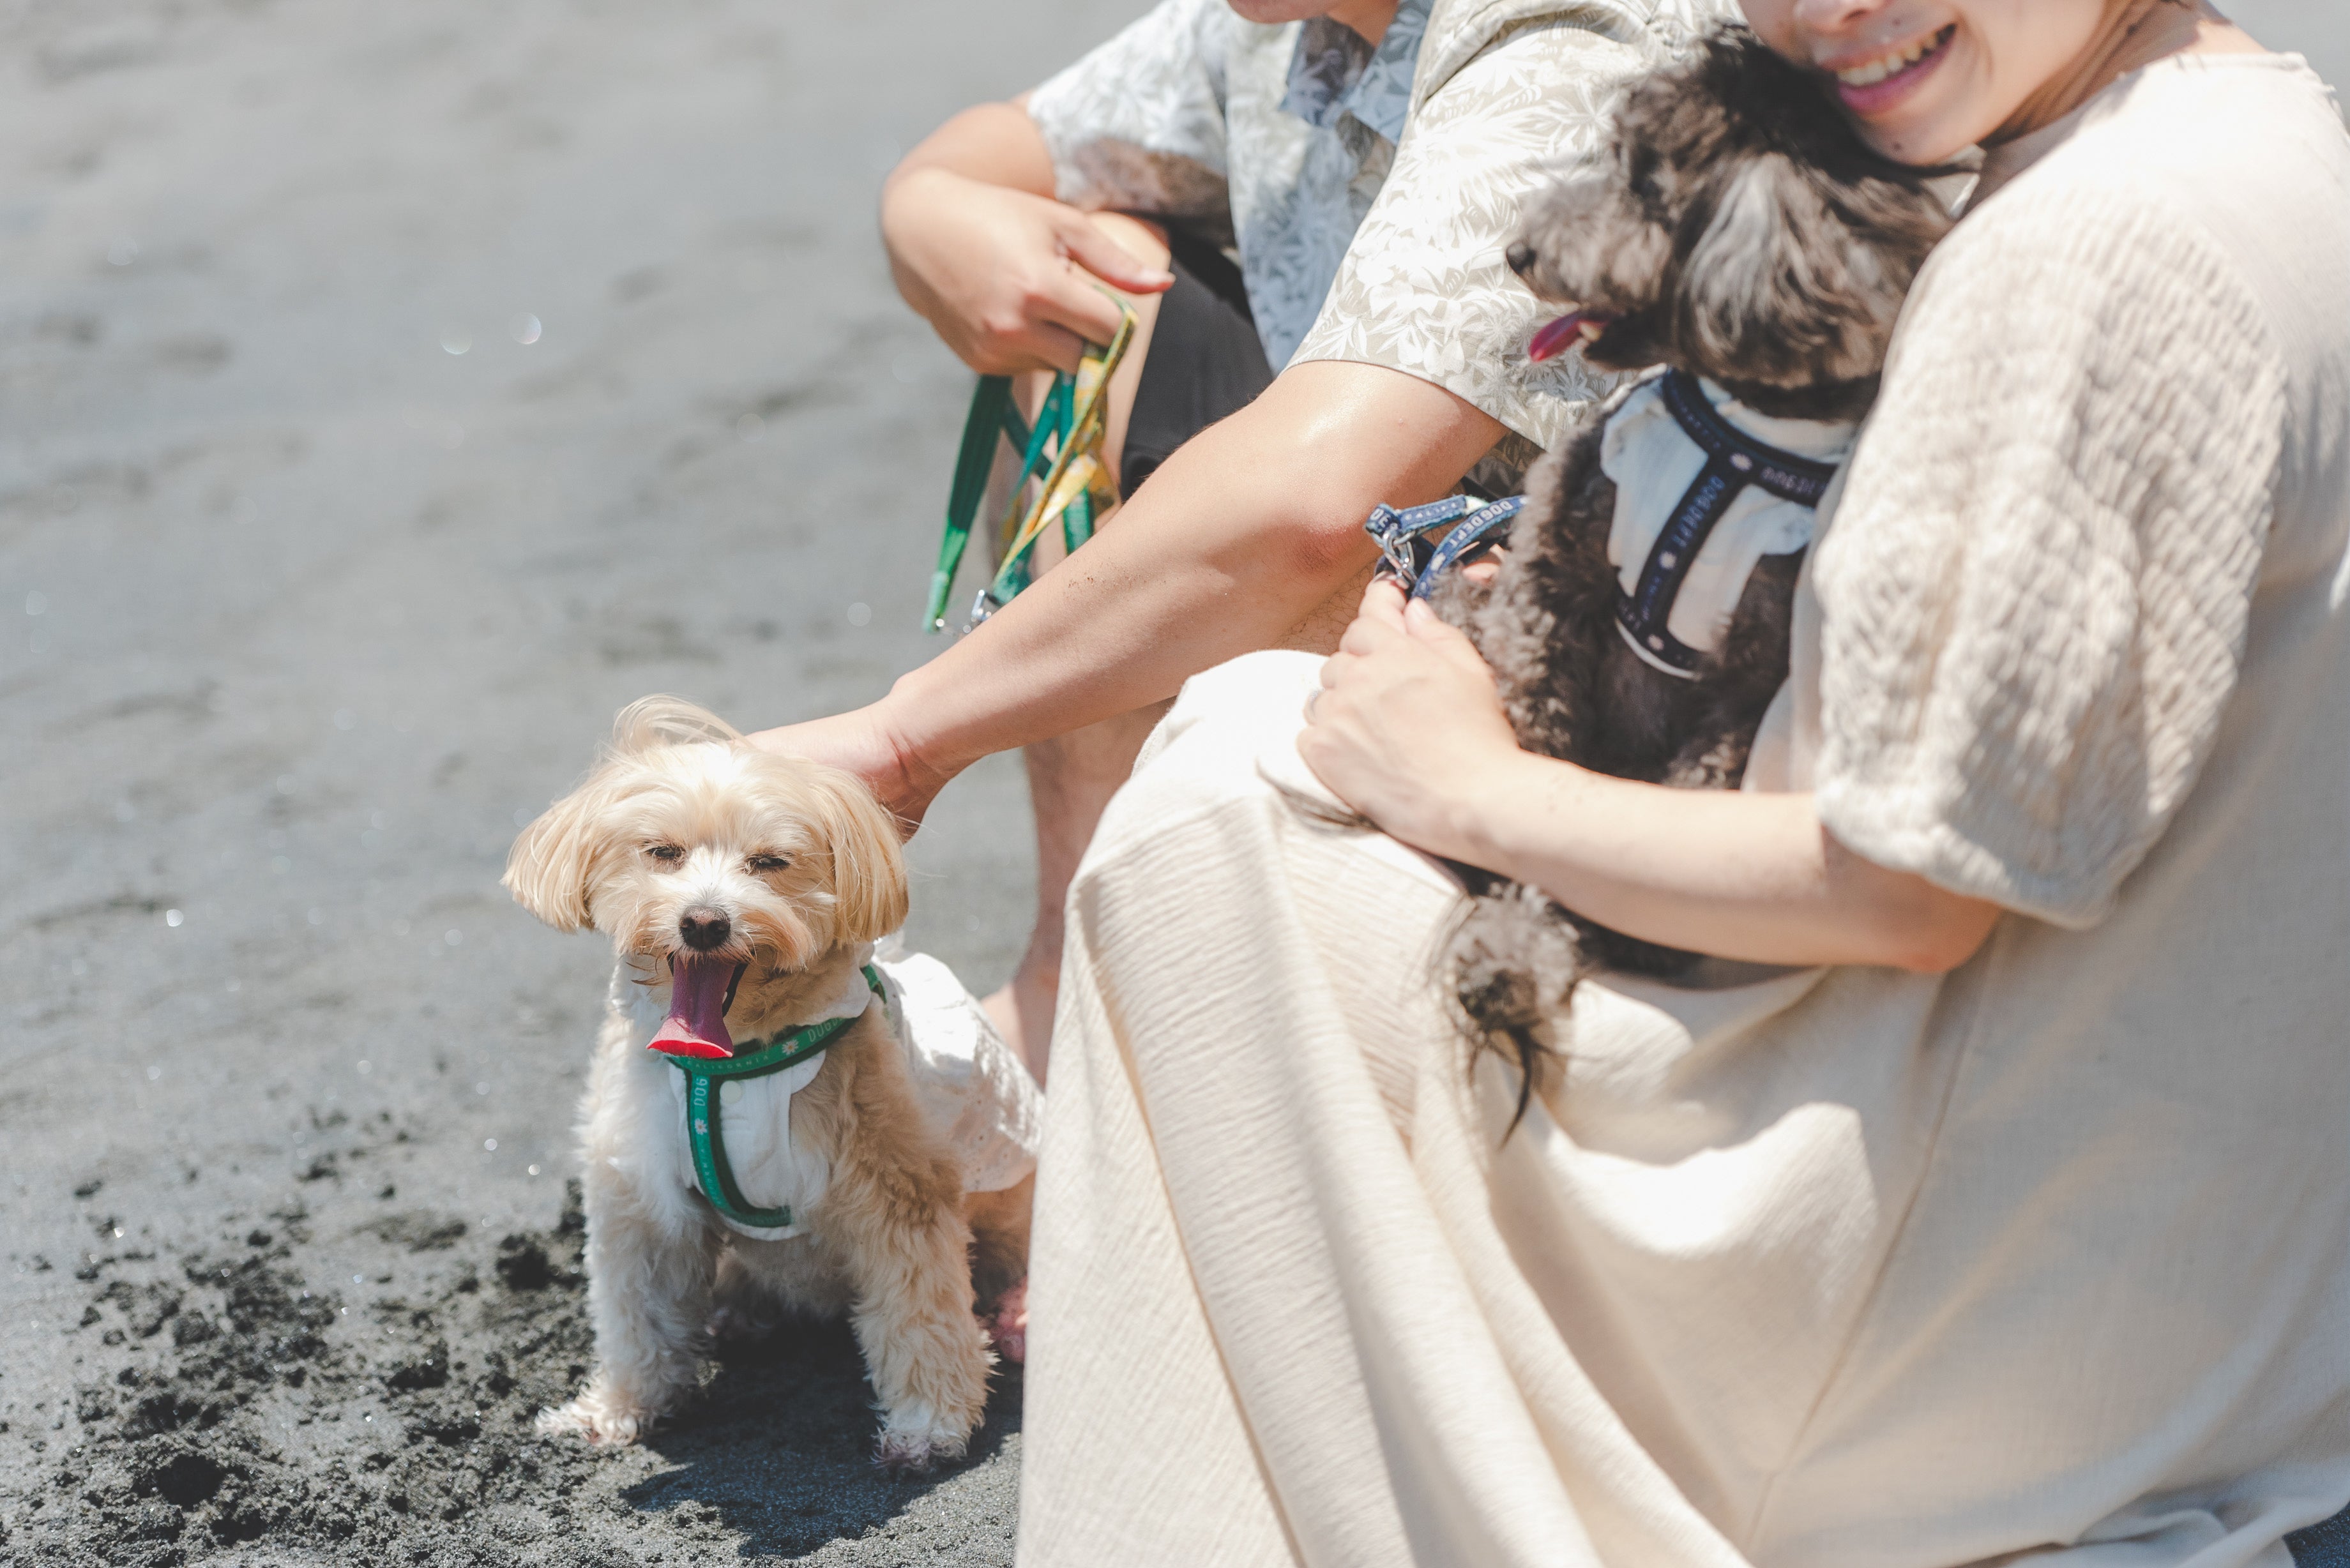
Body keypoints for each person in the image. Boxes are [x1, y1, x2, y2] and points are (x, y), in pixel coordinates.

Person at [1017, 1, 2350, 1564]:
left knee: (1225, 796)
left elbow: (1904, 891)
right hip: (2202, 1273)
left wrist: (1465, 784)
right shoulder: (2265, 126)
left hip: (1956, 1328)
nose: (1827, 11)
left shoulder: (2075, 255)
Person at [753, 0, 1727, 1080]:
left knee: (1296, 504)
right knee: (1101, 278)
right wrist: (926, 211)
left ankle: (1179, 1049)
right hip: (1425, 562)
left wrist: (904, 744)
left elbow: (1315, 501)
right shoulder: (1273, 25)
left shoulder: (1569, 35)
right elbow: (1002, 147)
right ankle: (1068, 983)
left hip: (1638, 698)